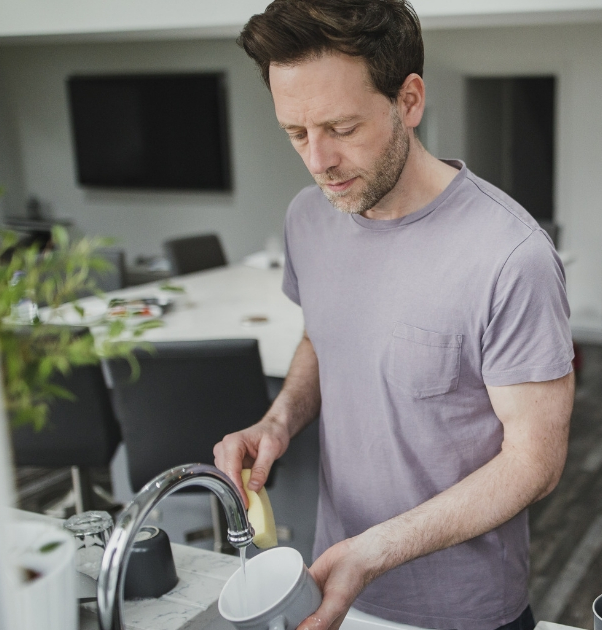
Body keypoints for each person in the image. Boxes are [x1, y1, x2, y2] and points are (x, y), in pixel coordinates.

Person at [212, 2, 576, 630]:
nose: (318, 161)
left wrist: (374, 552)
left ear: (409, 101)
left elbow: (534, 464)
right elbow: (324, 341)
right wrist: (278, 422)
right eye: (296, 133)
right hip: (330, 586)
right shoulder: (309, 217)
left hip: (463, 611)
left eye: (342, 128)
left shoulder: (510, 256)